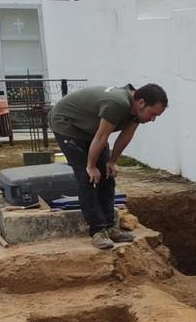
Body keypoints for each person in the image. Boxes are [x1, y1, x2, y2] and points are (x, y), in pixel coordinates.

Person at [49, 83, 167, 249]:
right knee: (87, 177)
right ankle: (97, 231)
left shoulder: (136, 112)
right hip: (68, 124)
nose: (152, 119)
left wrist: (112, 161)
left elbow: (126, 136)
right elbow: (102, 135)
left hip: (91, 130)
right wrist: (90, 165)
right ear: (141, 102)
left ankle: (110, 227)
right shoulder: (117, 104)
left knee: (107, 174)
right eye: (153, 114)